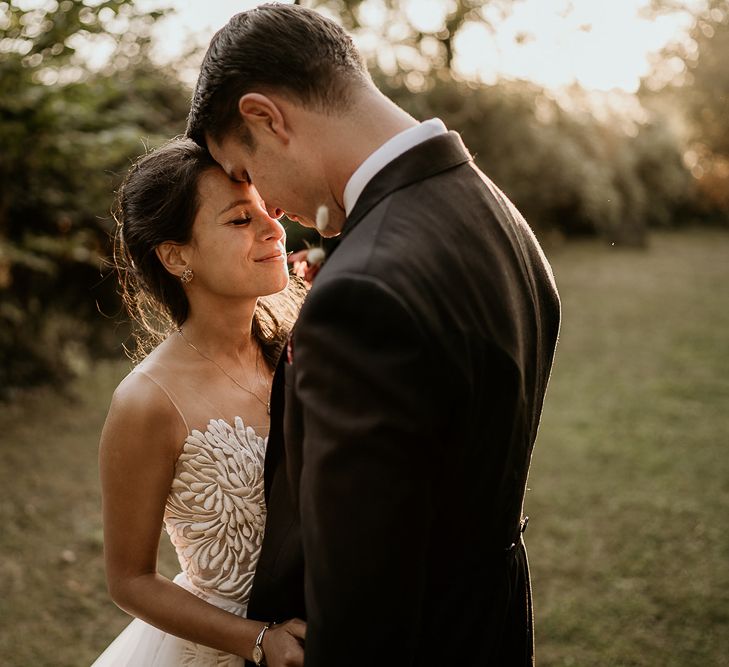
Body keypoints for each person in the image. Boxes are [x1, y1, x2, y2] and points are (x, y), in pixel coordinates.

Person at [187, 4, 561, 666]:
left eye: (245, 173)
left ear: (266, 118)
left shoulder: (360, 293)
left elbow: (359, 601)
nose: (266, 207)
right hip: (490, 628)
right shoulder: (497, 215)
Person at [92, 138, 307, 667]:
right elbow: (131, 581)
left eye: (269, 210)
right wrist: (258, 640)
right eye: (240, 220)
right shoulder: (147, 401)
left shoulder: (305, 348)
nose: (275, 229)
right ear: (176, 255)